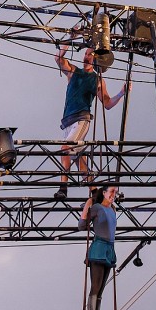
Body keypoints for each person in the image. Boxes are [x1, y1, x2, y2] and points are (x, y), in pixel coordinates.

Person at [53, 45, 129, 201]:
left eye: (90, 54)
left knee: (65, 148)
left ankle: (63, 187)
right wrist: (67, 43)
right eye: (85, 53)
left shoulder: (97, 80)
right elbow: (58, 59)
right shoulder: (74, 71)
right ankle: (95, 192)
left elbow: (107, 103)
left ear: (95, 59)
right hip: (67, 122)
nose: (86, 56)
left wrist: (121, 93)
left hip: (81, 120)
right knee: (79, 158)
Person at [80, 185, 119, 310]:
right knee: (95, 288)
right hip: (98, 249)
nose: (114, 194)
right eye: (112, 191)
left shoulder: (113, 209)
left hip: (109, 249)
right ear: (104, 193)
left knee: (100, 291)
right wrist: (87, 205)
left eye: (115, 192)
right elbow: (81, 226)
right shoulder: (97, 208)